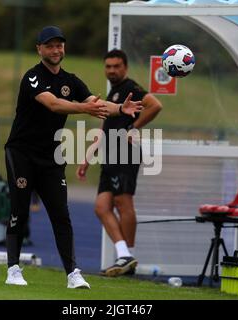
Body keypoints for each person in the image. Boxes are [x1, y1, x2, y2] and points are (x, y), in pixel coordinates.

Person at [4, 26, 142, 288]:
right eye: (50, 46)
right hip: (21, 153)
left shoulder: (72, 80)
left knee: (61, 214)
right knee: (19, 211)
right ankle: (13, 269)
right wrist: (85, 108)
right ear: (40, 49)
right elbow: (54, 104)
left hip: (51, 156)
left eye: (59, 45)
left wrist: (121, 108)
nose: (56, 50)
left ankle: (72, 273)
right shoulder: (32, 77)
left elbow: (97, 103)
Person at [76, 49, 163, 277]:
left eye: (116, 66)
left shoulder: (130, 89)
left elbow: (155, 105)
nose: (112, 70)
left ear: (125, 67)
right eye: (108, 66)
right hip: (110, 155)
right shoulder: (113, 92)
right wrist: (88, 156)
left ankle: (127, 255)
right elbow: (105, 130)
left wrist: (133, 128)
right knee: (101, 207)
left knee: (123, 203)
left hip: (126, 153)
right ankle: (124, 254)